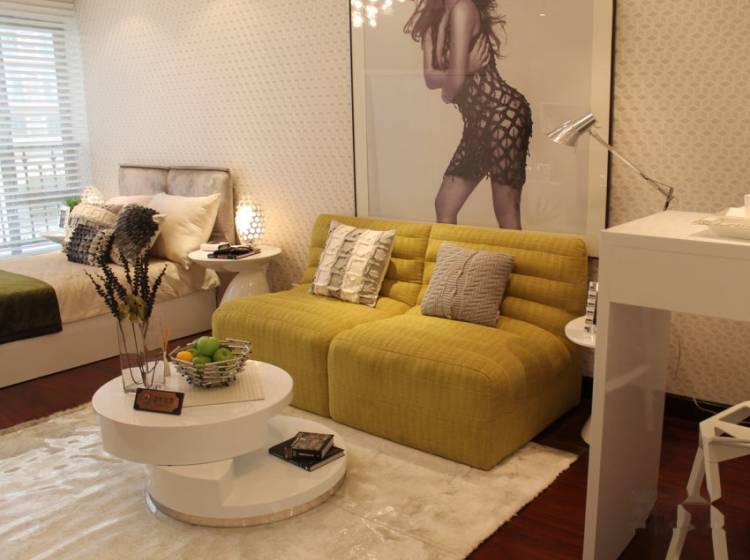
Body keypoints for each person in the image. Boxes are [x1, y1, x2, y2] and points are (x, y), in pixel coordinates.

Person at [405, 0, 532, 229]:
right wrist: (465, 69)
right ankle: (449, 254)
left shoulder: (463, 8)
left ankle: (518, 256)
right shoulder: (432, 18)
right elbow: (430, 79)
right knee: (444, 204)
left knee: (505, 210)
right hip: (478, 122)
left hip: (504, 114)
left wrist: (454, 80)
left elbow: (450, 88)